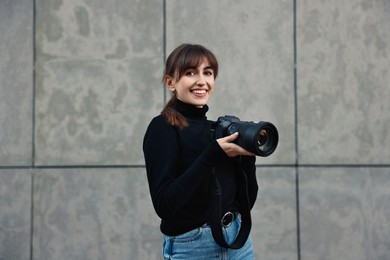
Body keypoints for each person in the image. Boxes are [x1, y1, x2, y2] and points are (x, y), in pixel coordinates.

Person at [143, 43, 259, 259]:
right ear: (171, 82)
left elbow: (246, 202)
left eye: (208, 73)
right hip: (193, 246)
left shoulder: (218, 131)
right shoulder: (163, 128)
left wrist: (247, 160)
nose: (201, 81)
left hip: (237, 242)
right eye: (190, 73)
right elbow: (164, 205)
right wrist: (211, 154)